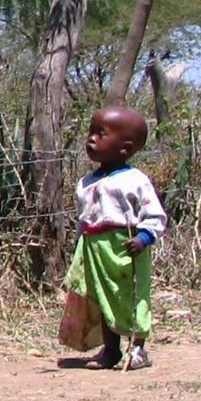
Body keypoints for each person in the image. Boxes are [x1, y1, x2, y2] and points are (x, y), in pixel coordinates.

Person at [63, 105, 167, 371]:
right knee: (102, 298)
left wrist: (144, 238)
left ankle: (138, 350)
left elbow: (154, 215)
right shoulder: (86, 182)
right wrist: (80, 246)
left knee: (130, 296)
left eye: (101, 133)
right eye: (91, 132)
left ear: (125, 147)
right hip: (94, 249)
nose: (92, 139)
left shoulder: (135, 180)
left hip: (125, 248)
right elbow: (84, 218)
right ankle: (110, 351)